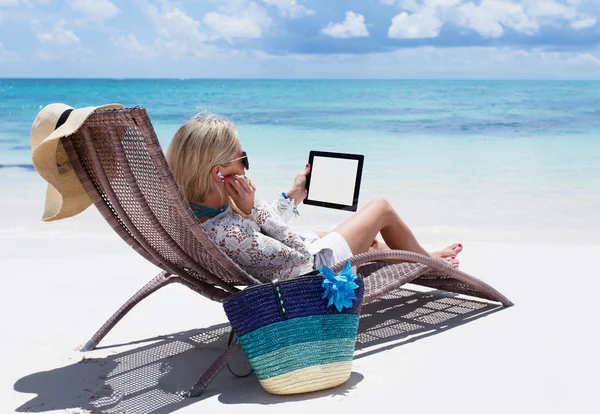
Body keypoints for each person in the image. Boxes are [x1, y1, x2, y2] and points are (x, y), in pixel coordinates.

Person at [166, 114, 462, 281]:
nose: (246, 166)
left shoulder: (200, 217)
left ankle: (419, 257)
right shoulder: (229, 233)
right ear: (219, 173)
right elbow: (301, 256)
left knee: (366, 241)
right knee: (380, 208)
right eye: (243, 158)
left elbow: (261, 239)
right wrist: (253, 208)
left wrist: (293, 195)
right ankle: (430, 263)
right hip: (316, 272)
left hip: (293, 261)